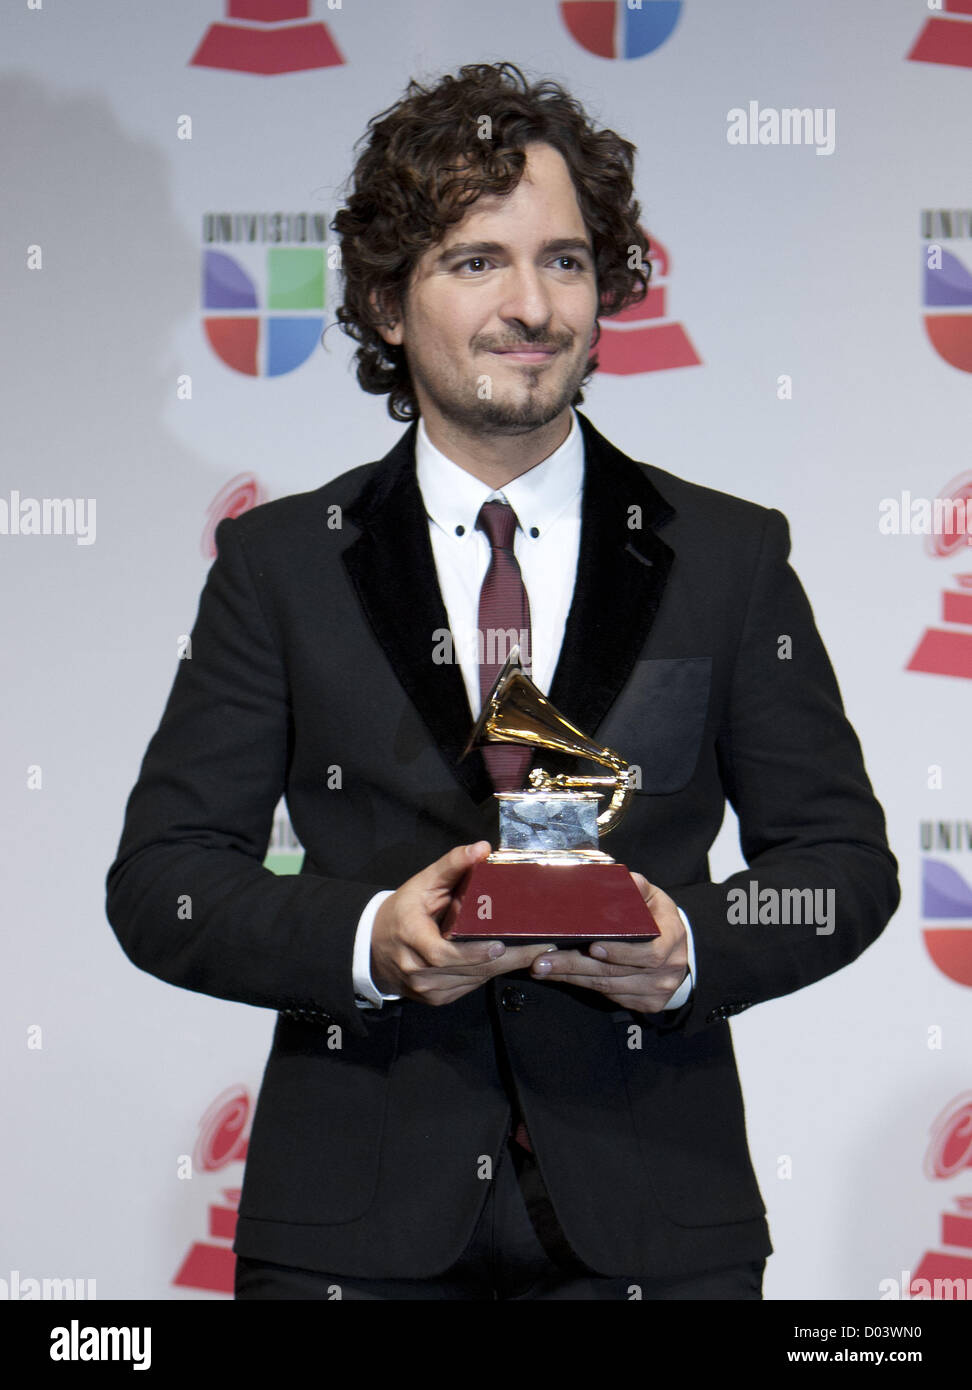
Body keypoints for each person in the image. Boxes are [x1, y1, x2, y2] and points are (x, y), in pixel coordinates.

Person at [106, 62, 899, 1300]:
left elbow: (843, 867)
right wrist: (373, 940)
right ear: (381, 300)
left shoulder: (730, 557)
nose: (532, 306)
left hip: (657, 1226)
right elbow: (164, 883)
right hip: (351, 1237)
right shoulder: (280, 567)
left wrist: (688, 944)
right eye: (477, 261)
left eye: (568, 261)